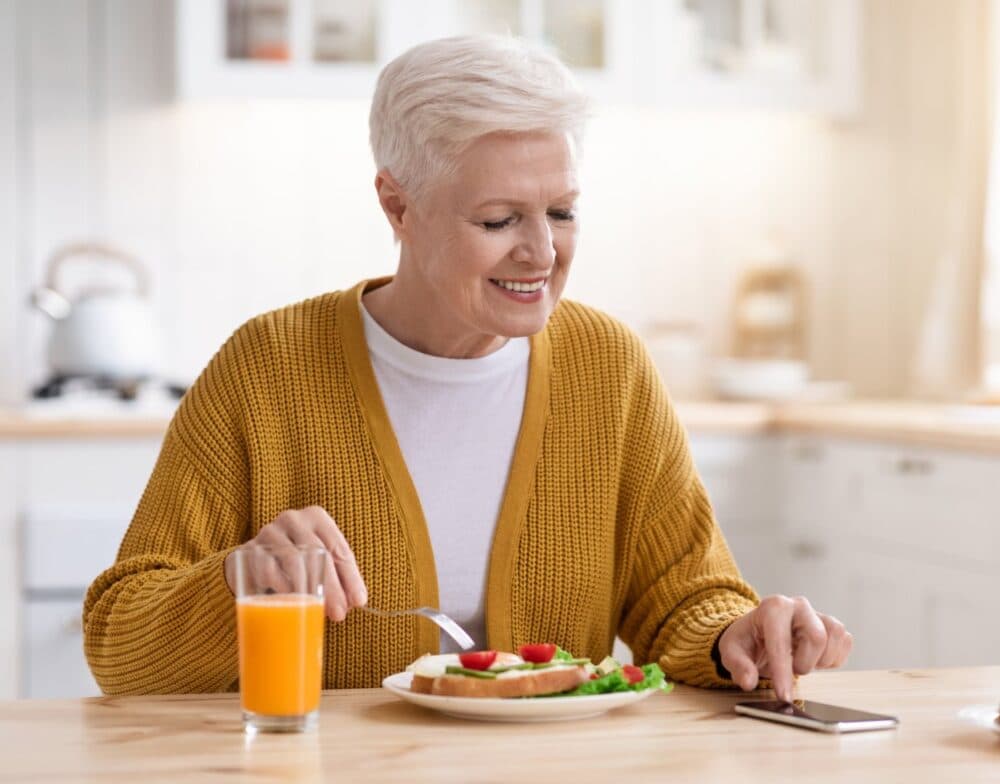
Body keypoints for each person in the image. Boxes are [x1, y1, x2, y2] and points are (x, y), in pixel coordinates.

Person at [83, 35, 851, 700]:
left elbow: (683, 597)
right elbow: (119, 646)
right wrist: (238, 582)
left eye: (561, 211)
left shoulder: (607, 368)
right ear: (398, 207)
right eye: (499, 219)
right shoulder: (267, 370)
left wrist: (735, 637)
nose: (542, 254)